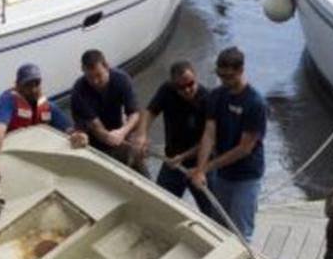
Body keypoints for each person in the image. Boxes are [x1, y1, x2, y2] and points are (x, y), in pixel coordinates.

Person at [190, 46, 267, 242]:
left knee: (240, 231)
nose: (225, 81)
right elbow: (209, 134)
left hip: (246, 175)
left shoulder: (255, 103)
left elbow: (244, 148)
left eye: (229, 76)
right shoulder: (217, 95)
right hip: (223, 174)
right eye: (220, 75)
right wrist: (200, 169)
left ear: (241, 71)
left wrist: (207, 167)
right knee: (220, 224)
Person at [0, 63, 88, 187]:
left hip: (36, 157)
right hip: (10, 154)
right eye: (28, 85)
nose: (33, 89)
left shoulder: (48, 106)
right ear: (17, 85)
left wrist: (78, 136)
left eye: (36, 84)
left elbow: (69, 129)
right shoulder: (6, 101)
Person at [134, 60, 213, 216]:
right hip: (173, 163)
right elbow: (150, 111)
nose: (188, 90)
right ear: (173, 85)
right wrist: (142, 135)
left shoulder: (208, 100)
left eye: (190, 84)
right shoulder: (166, 90)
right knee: (160, 204)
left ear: (196, 77)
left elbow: (209, 140)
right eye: (181, 88)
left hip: (200, 165)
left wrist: (183, 157)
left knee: (211, 212)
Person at [70, 49, 146, 174]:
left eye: (99, 75)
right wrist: (109, 137)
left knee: (141, 170)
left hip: (120, 133)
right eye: (90, 77)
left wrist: (123, 131)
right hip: (94, 142)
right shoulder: (79, 91)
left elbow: (134, 113)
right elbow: (96, 127)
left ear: (107, 66)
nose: (95, 82)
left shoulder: (122, 80)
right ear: (83, 70)